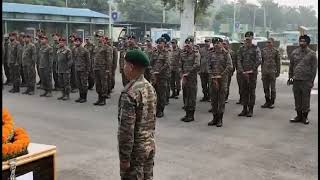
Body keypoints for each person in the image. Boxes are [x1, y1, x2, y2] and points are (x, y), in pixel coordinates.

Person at [117, 49, 156, 180]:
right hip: (149, 146)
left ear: (131, 67)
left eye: (125, 64)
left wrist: (124, 158)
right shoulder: (149, 87)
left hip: (135, 152)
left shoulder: (129, 93)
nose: (123, 68)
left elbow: (126, 131)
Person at [289, 35, 317, 124]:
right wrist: (290, 77)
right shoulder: (294, 52)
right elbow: (291, 66)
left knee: (305, 99)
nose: (302, 42)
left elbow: (314, 68)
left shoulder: (312, 54)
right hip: (296, 80)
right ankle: (298, 116)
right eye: (300, 41)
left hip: (306, 80)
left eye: (304, 41)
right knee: (297, 98)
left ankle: (305, 117)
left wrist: (311, 81)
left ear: (307, 43)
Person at [207, 38, 233, 127]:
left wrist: (221, 75)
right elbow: (208, 66)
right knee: (213, 100)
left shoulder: (226, 54)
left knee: (221, 100)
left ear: (222, 44)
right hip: (213, 80)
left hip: (222, 80)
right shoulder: (211, 54)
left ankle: (220, 119)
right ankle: (214, 118)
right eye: (215, 43)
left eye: (218, 43)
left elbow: (229, 66)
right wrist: (212, 76)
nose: (216, 45)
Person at [237, 32, 262, 117]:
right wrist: (242, 71)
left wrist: (252, 69)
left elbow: (259, 60)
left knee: (251, 91)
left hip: (252, 74)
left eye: (249, 37)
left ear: (252, 38)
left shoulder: (256, 48)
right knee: (244, 91)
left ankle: (250, 110)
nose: (247, 39)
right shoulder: (241, 48)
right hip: (243, 74)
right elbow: (239, 60)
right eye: (246, 38)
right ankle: (244, 109)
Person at [180, 36, 200, 122]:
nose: (187, 45)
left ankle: (191, 115)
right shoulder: (183, 54)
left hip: (191, 78)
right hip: (184, 78)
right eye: (186, 43)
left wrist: (188, 73)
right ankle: (186, 114)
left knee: (191, 96)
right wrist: (181, 74)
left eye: (189, 43)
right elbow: (180, 65)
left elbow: (197, 65)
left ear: (192, 44)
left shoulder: (196, 54)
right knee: (185, 96)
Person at [150, 37, 170, 118]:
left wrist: (159, 71)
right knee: (154, 94)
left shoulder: (166, 53)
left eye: (161, 43)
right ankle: (154, 109)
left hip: (162, 77)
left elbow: (167, 64)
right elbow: (150, 63)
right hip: (154, 76)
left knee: (161, 94)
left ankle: (160, 110)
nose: (159, 44)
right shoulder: (154, 52)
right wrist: (152, 72)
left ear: (164, 44)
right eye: (158, 43)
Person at [93, 34, 113, 105]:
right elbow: (94, 58)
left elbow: (109, 60)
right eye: (97, 37)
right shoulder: (96, 47)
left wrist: (108, 69)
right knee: (98, 84)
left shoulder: (107, 48)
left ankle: (103, 100)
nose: (98, 38)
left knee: (103, 84)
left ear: (103, 38)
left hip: (103, 68)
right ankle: (99, 98)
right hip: (96, 68)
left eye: (100, 37)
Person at [260, 38, 281, 109]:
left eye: (270, 42)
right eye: (267, 42)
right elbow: (262, 61)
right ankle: (267, 101)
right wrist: (262, 70)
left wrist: (278, 71)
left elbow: (278, 62)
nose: (268, 44)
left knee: (272, 88)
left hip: (272, 72)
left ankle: (272, 102)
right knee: (265, 87)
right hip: (265, 72)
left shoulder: (276, 51)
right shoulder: (263, 51)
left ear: (273, 43)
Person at [73, 37, 90, 103]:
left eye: (78, 41)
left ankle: (84, 97)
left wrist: (88, 70)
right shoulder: (74, 49)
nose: (76, 42)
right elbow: (74, 59)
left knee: (84, 84)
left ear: (81, 42)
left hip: (83, 70)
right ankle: (80, 96)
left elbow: (88, 61)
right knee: (79, 84)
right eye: (75, 41)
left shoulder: (85, 50)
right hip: (77, 69)